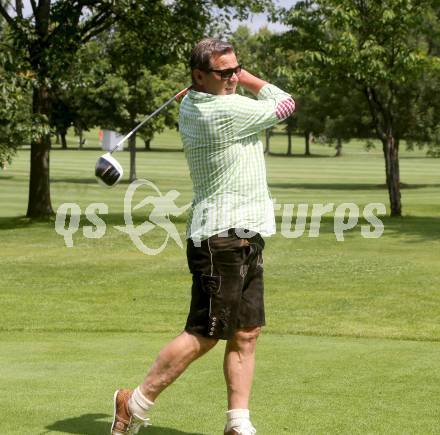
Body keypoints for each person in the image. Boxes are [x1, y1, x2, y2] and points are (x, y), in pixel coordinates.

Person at [111, 38, 295, 435]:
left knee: (247, 333)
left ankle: (237, 423)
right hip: (221, 238)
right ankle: (134, 402)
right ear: (198, 77)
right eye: (223, 72)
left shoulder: (204, 100)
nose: (232, 77)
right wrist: (246, 77)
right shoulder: (220, 110)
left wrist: (229, 73)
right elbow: (284, 103)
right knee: (206, 334)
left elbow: (272, 102)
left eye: (236, 69)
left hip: (248, 232)